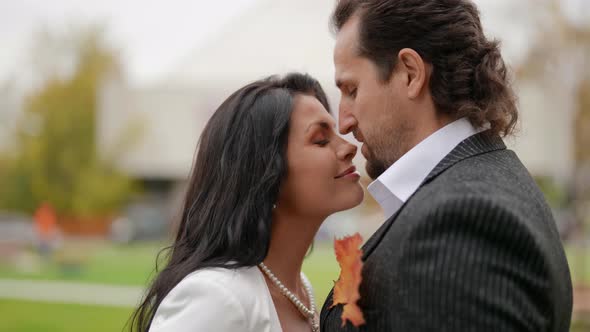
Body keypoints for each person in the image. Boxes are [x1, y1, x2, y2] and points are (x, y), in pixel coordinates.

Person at [320, 0, 573, 331]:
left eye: (352, 90)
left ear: (410, 73)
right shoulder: (485, 180)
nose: (343, 122)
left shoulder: (459, 222)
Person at [130, 73, 364, 332]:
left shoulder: (301, 289)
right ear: (265, 174)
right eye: (320, 140)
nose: (348, 147)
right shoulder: (218, 297)